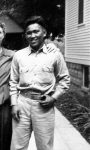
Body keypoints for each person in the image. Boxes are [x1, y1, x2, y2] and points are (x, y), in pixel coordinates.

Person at [0, 20, 59, 150]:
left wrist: (51, 46)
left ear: (3, 35)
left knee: (6, 139)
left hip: (5, 104)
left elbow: (31, 57)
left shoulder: (13, 55)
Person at [10, 16, 70, 150]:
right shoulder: (18, 55)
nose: (32, 35)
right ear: (25, 35)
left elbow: (65, 79)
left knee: (45, 147)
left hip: (44, 107)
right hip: (22, 104)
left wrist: (53, 97)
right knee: (17, 146)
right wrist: (14, 104)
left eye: (36, 31)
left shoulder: (55, 55)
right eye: (29, 32)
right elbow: (13, 81)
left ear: (44, 32)